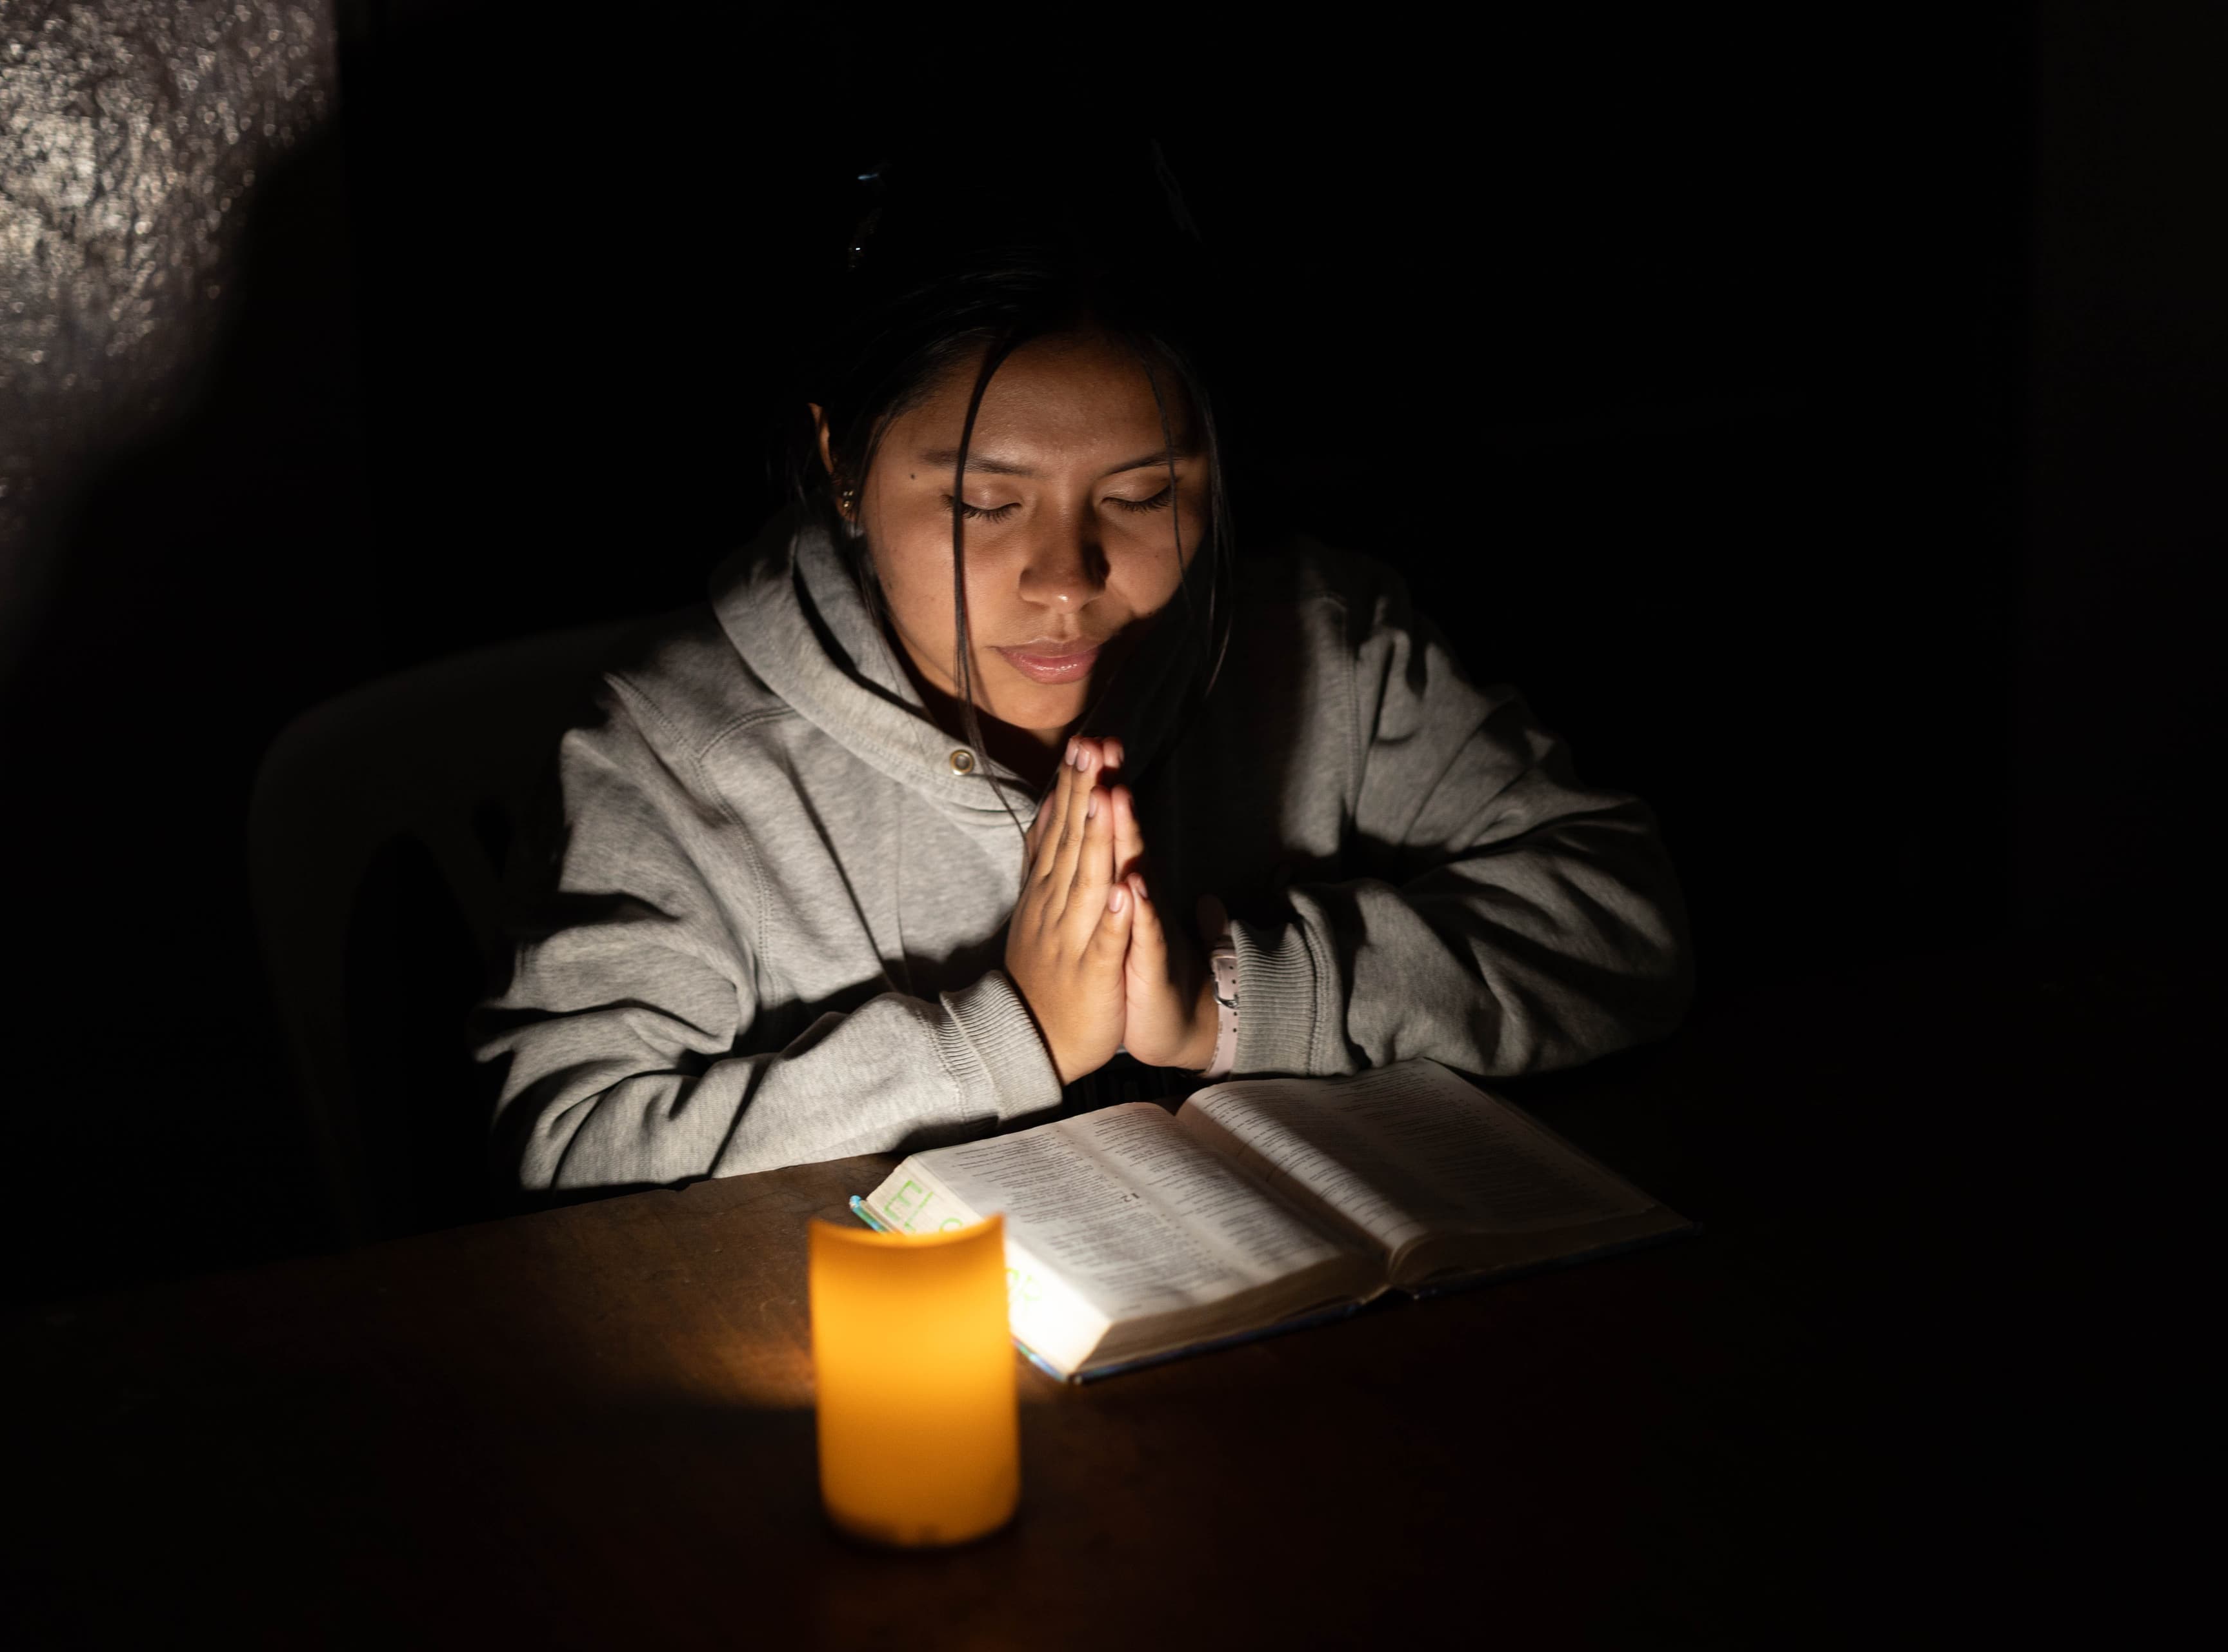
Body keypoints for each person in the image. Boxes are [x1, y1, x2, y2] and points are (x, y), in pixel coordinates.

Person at [474, 149, 1692, 1193]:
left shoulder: (1322, 650)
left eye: (1147, 494)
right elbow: (573, 1143)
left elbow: (1624, 925)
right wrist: (1004, 1038)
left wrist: (1238, 1002)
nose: (1067, 578)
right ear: (842, 464)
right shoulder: (676, 759)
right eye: (985, 503)